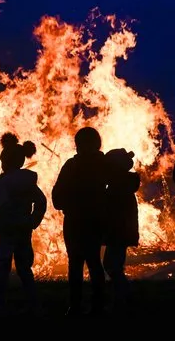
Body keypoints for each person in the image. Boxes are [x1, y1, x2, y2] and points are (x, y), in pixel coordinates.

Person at [52, 126, 108, 316]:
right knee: (93, 262)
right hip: (94, 221)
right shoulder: (104, 164)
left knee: (75, 264)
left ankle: (75, 306)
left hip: (76, 222)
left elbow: (57, 197)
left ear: (77, 145)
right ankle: (97, 305)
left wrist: (68, 204)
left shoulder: (72, 166)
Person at [0, 133, 47, 315]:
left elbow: (3, 205)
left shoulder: (2, 181)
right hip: (23, 229)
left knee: (3, 267)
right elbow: (41, 201)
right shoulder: (29, 181)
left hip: (8, 230)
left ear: (6, 162)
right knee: (24, 268)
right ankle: (33, 303)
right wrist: (32, 220)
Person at [102, 148, 140, 314]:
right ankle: (121, 298)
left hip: (118, 233)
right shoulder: (124, 185)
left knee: (112, 265)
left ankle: (126, 296)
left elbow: (113, 213)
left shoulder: (118, 188)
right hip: (120, 233)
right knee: (114, 265)